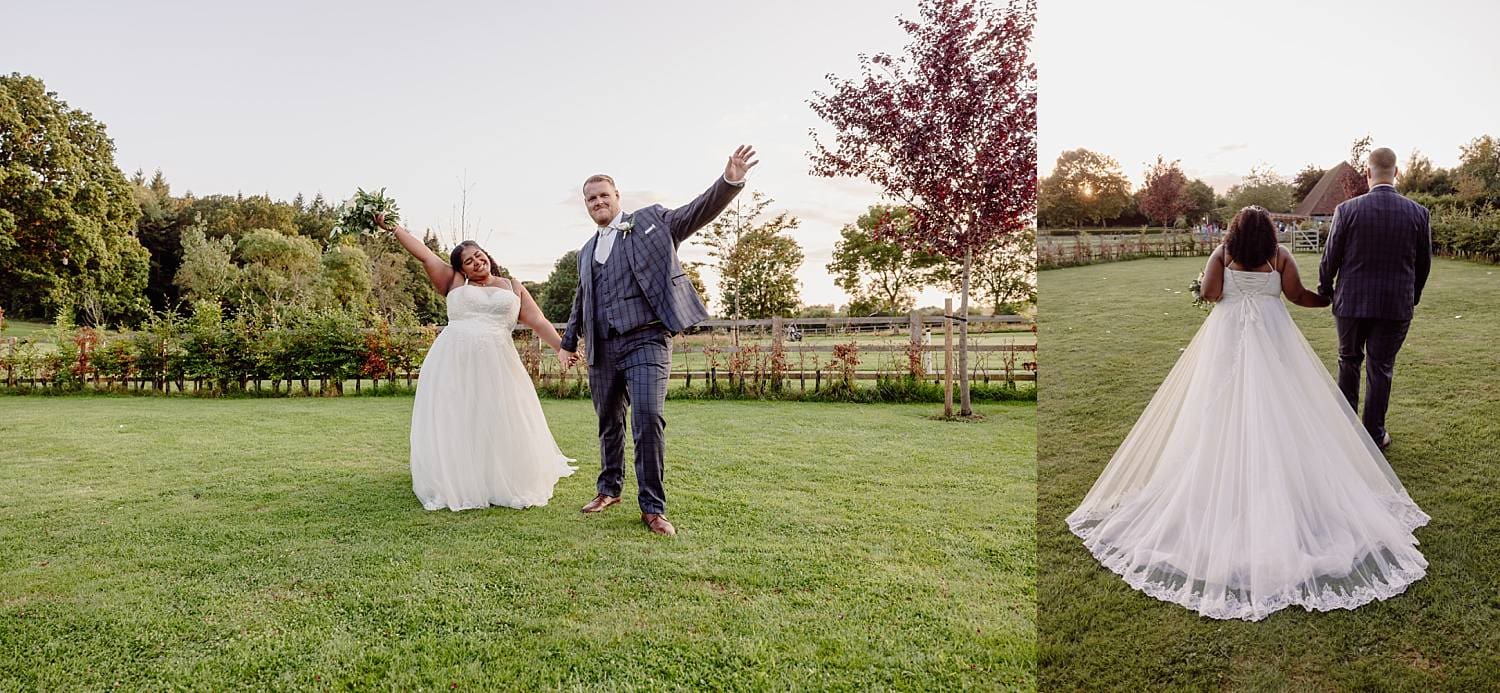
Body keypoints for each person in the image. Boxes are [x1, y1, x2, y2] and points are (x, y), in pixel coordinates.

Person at [1067, 206, 1429, 621]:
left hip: (1227, 338)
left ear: (1236, 231)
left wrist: (1211, 286)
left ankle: (1222, 472)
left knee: (1219, 407)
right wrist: (1329, 299)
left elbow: (1210, 293)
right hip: (1274, 337)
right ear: (1269, 232)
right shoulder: (1279, 256)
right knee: (1283, 408)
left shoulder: (1222, 253)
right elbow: (1297, 296)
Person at [560, 146, 758, 536]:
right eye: (591, 198)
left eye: (604, 195)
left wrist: (730, 181)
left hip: (647, 339)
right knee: (607, 421)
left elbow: (695, 212)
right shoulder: (585, 252)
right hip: (603, 347)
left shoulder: (651, 222)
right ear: (585, 205)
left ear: (618, 198)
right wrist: (569, 342)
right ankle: (608, 489)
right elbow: (581, 300)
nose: (598, 201)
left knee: (647, 418)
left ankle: (652, 507)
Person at [380, 216, 577, 511]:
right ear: (460, 268)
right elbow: (423, 253)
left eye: (478, 255)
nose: (476, 262)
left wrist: (562, 347)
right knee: (460, 415)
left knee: (500, 414)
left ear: (488, 256)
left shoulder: (512, 286)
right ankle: (460, 475)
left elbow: (537, 319)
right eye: (468, 261)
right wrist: (394, 228)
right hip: (453, 359)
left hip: (499, 361)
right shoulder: (454, 282)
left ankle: (499, 476)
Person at [1318, 147, 1432, 450]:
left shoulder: (1348, 210)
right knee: (1381, 367)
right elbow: (1424, 264)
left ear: (1367, 173)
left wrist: (1325, 288)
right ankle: (1374, 434)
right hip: (1395, 304)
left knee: (1348, 361)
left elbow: (1330, 258)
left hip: (1351, 303)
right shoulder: (1419, 213)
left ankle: (1344, 431)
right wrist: (1413, 297)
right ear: (1397, 172)